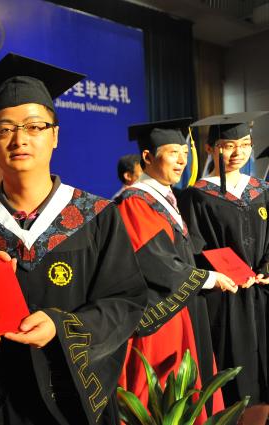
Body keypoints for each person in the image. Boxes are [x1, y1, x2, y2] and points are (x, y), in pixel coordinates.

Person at [0, 53, 148, 425]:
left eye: (34, 126)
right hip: (1, 405)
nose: (19, 139)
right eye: (4, 129)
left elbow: (126, 301)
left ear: (54, 135)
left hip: (77, 401)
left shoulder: (96, 215)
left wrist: (62, 327)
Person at [115, 119, 234, 421]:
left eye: (185, 152)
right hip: (161, 318)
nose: (182, 160)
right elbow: (156, 261)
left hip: (183, 309)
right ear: (147, 157)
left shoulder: (164, 198)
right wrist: (208, 278)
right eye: (173, 152)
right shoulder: (135, 201)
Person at [179, 112, 269, 424]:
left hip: (262, 295)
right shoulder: (196, 195)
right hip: (224, 297)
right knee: (232, 375)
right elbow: (194, 247)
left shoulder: (261, 189)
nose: (238, 152)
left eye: (244, 144)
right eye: (228, 146)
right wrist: (225, 271)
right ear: (209, 149)